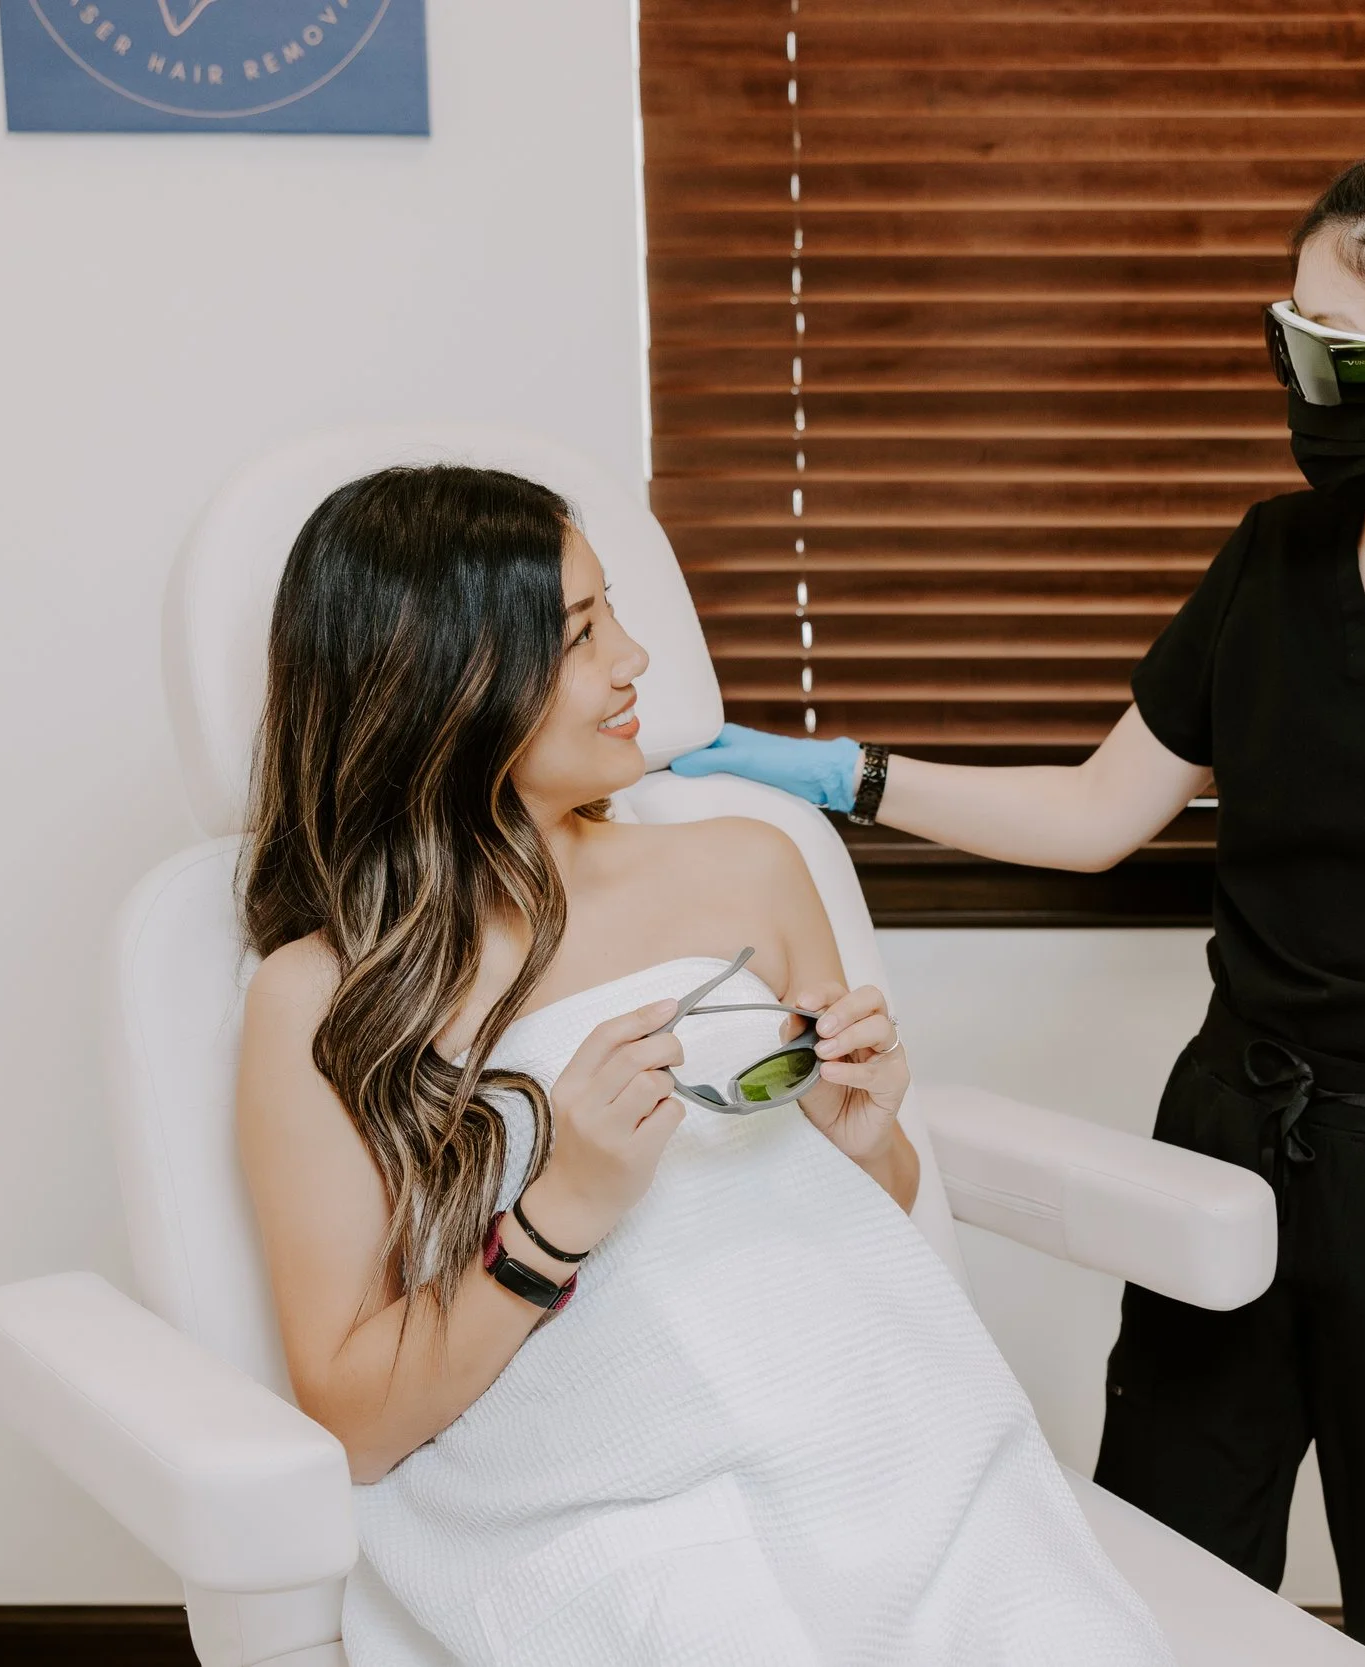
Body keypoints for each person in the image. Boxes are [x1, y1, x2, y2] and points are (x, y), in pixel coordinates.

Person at [670, 128, 1365, 1665]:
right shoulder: (1277, 557)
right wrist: (847, 772)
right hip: (1228, 1138)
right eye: (1290, 333)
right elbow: (1099, 812)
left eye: (1344, 353)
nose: (1304, 378)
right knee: (1148, 1587)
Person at [234, 465, 1172, 1666]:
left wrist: (861, 1133)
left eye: (612, 610)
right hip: (621, 1507)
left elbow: (857, 1216)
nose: (634, 659)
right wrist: (557, 1213)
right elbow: (356, 1421)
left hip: (889, 1438)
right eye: (580, 635)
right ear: (445, 679)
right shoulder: (323, 995)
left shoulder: (750, 864)